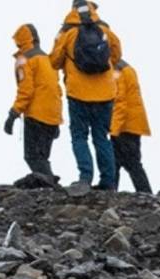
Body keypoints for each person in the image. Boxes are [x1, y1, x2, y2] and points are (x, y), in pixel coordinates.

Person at [50, 2, 122, 189]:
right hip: (105, 94)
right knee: (101, 137)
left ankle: (85, 177)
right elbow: (117, 54)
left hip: (78, 94)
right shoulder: (105, 30)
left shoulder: (69, 33)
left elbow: (54, 62)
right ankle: (108, 181)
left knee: (79, 136)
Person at [6, 24, 63, 181]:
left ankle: (49, 184)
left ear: (19, 42)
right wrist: (58, 119)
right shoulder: (48, 59)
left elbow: (26, 90)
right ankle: (49, 182)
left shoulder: (24, 60)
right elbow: (57, 90)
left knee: (32, 156)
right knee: (42, 156)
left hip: (36, 115)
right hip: (52, 115)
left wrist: (13, 114)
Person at [110, 59, 152, 193]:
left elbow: (120, 102)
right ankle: (144, 193)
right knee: (123, 161)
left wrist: (113, 130)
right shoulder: (124, 68)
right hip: (131, 123)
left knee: (128, 162)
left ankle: (143, 192)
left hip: (125, 125)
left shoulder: (117, 70)